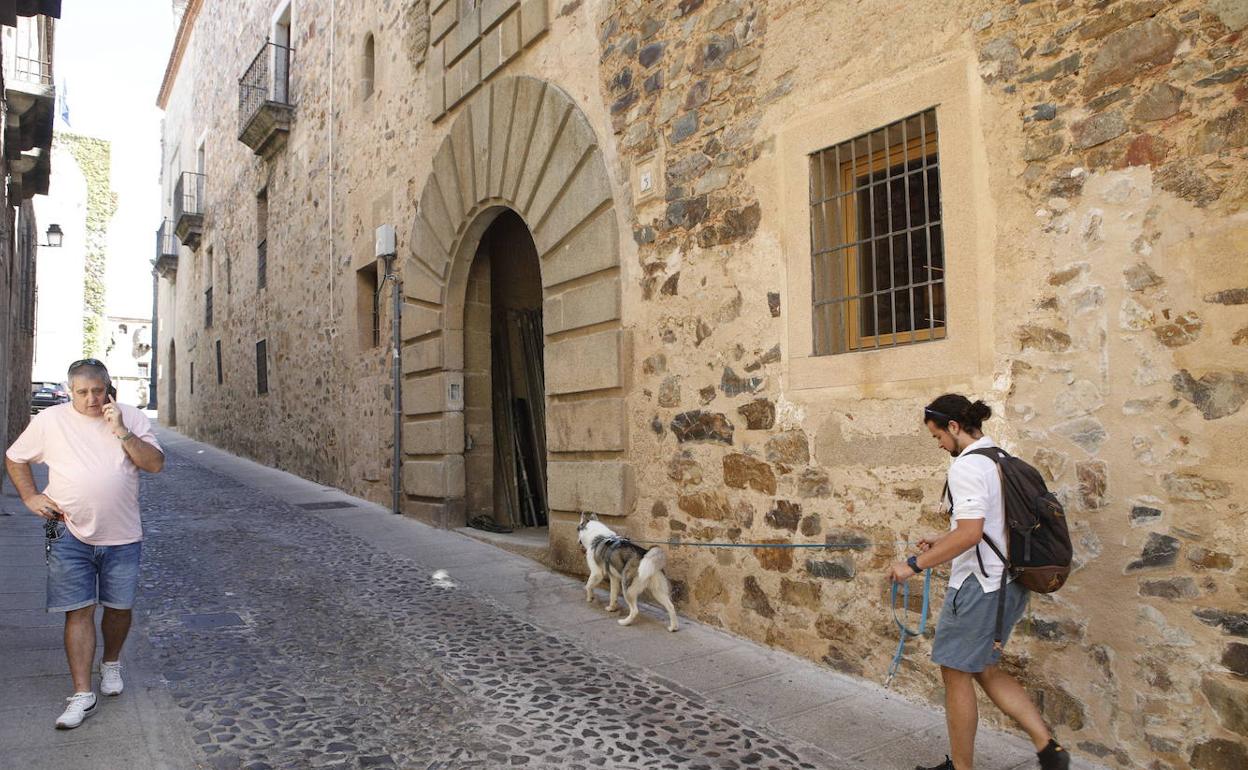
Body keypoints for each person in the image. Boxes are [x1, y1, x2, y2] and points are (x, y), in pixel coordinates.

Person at [890, 393, 1069, 770]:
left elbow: (971, 534)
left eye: (937, 435)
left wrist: (914, 564)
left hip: (980, 587)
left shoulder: (967, 467)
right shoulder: (1000, 459)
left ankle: (961, 767)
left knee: (955, 673)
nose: (939, 444)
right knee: (984, 668)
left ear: (954, 427)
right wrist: (944, 538)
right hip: (1010, 583)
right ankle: (1048, 748)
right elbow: (994, 525)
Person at [4, 359, 164, 729]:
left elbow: (154, 464)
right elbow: (15, 458)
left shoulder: (131, 418)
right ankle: (81, 694)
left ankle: (111, 664)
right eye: (83, 392)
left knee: (119, 608)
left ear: (109, 389)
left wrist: (121, 431)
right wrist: (29, 497)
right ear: (70, 391)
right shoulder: (50, 421)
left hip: (123, 534)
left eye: (98, 390)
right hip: (65, 531)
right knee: (77, 609)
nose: (91, 399)